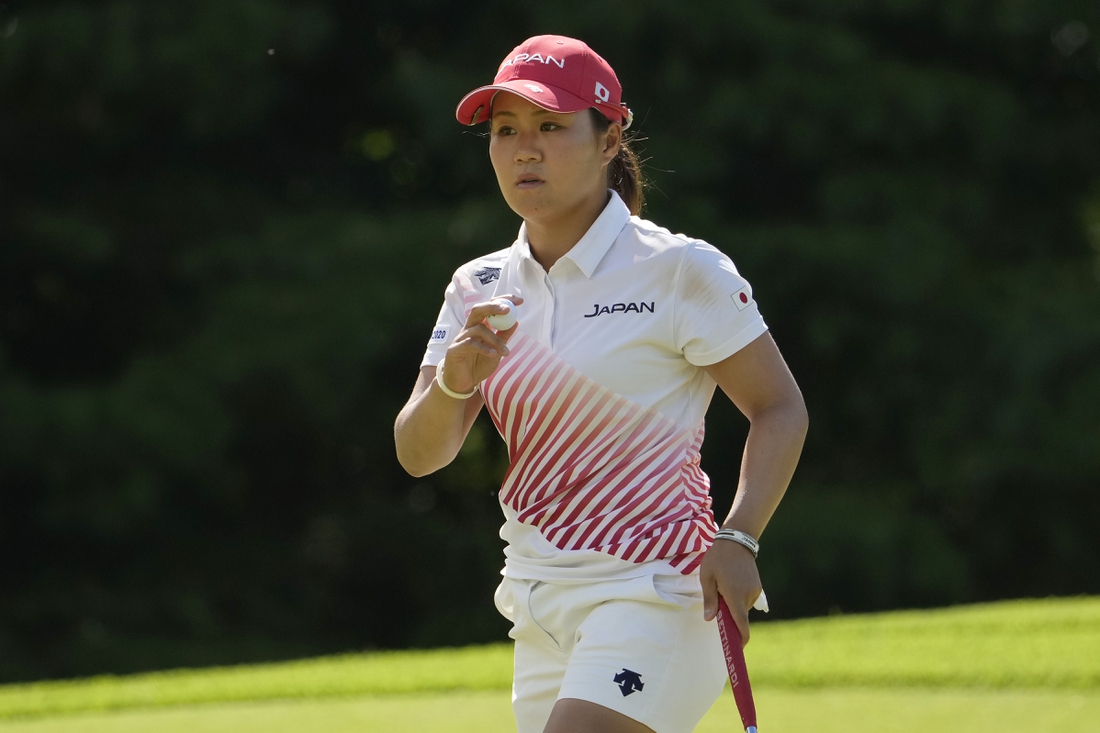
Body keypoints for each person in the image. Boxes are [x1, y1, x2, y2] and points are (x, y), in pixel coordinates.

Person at [394, 35, 808, 733]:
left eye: (551, 127)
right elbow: (418, 452)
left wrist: (741, 536)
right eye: (505, 131)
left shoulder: (679, 269)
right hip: (537, 602)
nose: (525, 149)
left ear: (611, 138)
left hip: (659, 590)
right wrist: (455, 384)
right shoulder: (477, 286)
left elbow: (779, 406)